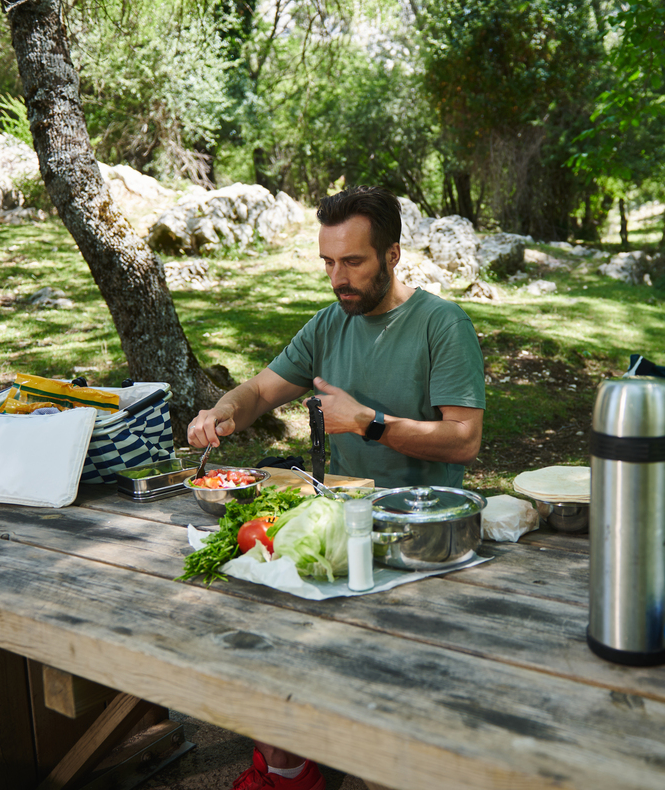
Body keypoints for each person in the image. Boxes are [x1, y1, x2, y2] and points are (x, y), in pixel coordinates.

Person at [187, 185, 486, 790]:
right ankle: (288, 771)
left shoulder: (441, 324)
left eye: (353, 262)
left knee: (388, 704)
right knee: (263, 631)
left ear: (393, 254)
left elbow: (464, 440)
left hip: (417, 542)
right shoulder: (329, 324)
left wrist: (370, 423)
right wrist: (222, 412)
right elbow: (260, 391)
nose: (338, 279)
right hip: (336, 525)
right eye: (328, 262)